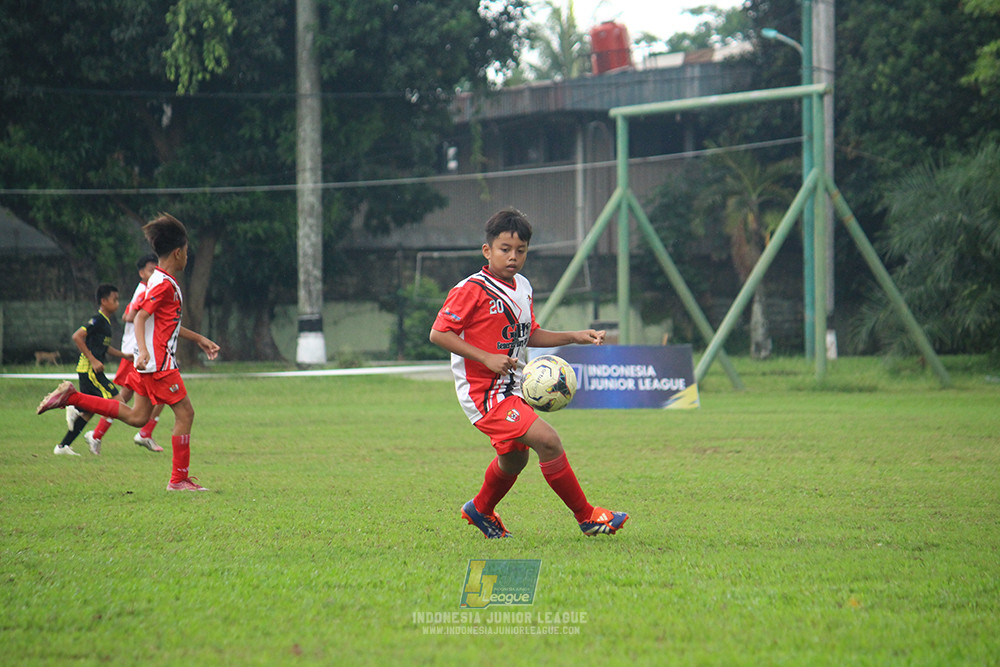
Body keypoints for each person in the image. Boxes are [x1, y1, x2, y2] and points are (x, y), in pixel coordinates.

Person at [429, 208, 628, 538]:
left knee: (514, 461)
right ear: (487, 250)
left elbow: (529, 334)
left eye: (520, 250)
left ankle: (480, 509)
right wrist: (486, 357)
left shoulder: (522, 286)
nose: (513, 257)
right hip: (483, 394)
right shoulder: (471, 289)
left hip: (511, 387)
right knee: (548, 441)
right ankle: (588, 517)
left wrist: (574, 336)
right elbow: (439, 333)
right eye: (505, 249)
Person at [38, 213, 220, 490]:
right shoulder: (164, 284)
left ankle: (72, 397)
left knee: (137, 417)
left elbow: (163, 323)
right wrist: (144, 351)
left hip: (149, 362)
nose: (187, 256)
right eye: (186, 251)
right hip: (158, 364)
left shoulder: (158, 280)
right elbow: (140, 317)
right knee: (186, 414)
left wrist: (199, 339)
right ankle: (179, 479)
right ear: (177, 252)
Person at [77, 253, 166, 454]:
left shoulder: (149, 289)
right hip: (136, 353)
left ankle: (98, 433)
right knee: (127, 397)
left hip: (141, 352)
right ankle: (81, 410)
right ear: (141, 273)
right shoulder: (144, 291)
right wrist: (147, 315)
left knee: (131, 397)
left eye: (157, 270)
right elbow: (129, 315)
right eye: (151, 270)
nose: (155, 274)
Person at [53, 284, 131, 456]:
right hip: (90, 370)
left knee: (90, 410)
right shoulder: (98, 320)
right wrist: (93, 360)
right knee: (119, 403)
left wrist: (124, 355)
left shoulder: (106, 322)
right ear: (103, 301)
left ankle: (63, 446)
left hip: (90, 370)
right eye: (114, 299)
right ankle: (75, 407)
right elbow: (77, 336)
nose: (117, 303)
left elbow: (104, 347)